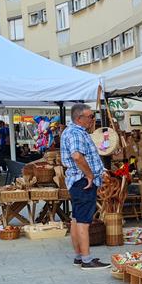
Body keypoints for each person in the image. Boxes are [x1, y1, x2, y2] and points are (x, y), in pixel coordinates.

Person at [61, 104, 109, 269]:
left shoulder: (74, 131)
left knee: (76, 219)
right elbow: (77, 156)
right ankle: (87, 260)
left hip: (78, 181)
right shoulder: (75, 133)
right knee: (83, 221)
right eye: (90, 117)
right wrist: (89, 175)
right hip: (83, 181)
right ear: (79, 118)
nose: (92, 119)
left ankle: (79, 257)